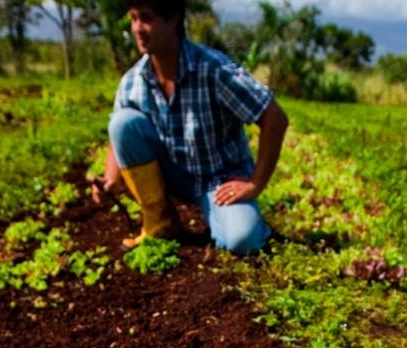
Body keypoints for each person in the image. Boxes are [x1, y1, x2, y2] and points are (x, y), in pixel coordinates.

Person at [89, 0, 288, 254]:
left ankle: (246, 223)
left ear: (173, 19)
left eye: (146, 18)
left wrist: (254, 184)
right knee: (122, 121)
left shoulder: (214, 70)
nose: (137, 28)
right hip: (175, 174)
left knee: (241, 241)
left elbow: (275, 118)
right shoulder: (133, 82)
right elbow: (120, 136)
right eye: (133, 18)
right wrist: (109, 180)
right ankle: (161, 224)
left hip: (219, 179)